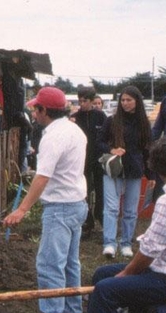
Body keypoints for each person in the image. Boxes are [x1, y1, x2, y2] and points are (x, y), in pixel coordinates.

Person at [87, 135, 166, 313]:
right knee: (102, 273)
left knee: (104, 290)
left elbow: (150, 251)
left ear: (156, 166)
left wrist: (126, 274)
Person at [3, 86, 88, 313]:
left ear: (44, 110)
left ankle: (53, 312)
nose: (34, 114)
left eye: (36, 109)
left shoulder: (53, 137)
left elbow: (42, 177)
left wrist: (21, 210)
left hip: (60, 207)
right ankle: (72, 311)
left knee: (50, 266)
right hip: (77, 203)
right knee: (70, 264)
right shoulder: (74, 130)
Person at [97, 86, 154, 259]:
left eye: (129, 100)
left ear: (137, 101)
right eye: (122, 100)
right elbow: (98, 142)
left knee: (130, 210)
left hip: (135, 170)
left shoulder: (144, 123)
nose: (125, 103)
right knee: (111, 208)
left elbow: (147, 151)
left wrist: (151, 175)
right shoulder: (112, 120)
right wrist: (111, 149)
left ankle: (126, 243)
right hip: (113, 170)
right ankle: (109, 243)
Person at [71, 87, 107, 236]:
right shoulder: (75, 117)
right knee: (83, 191)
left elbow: (106, 135)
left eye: (85, 101)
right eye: (80, 101)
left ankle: (102, 218)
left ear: (92, 101)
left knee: (101, 190)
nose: (82, 104)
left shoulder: (100, 116)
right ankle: (87, 221)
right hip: (81, 160)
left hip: (98, 159)